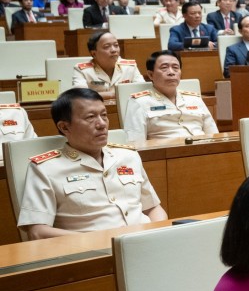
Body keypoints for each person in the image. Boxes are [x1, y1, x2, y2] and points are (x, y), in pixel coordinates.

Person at [19, 88, 165, 239]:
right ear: (64, 127)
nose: (102, 124)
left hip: (146, 243)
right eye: (90, 117)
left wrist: (157, 234)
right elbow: (37, 231)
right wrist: (95, 242)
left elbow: (153, 208)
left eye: (104, 115)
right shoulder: (45, 169)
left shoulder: (128, 156)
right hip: (94, 253)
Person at [123, 51, 218, 142]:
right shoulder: (139, 102)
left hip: (204, 150)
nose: (171, 72)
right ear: (151, 75)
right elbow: (135, 143)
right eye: (164, 68)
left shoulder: (194, 99)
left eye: (176, 67)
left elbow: (214, 135)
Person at [72, 31, 142, 98]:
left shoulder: (130, 67)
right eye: (106, 46)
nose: (114, 50)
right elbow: (80, 95)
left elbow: (143, 90)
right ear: (94, 53)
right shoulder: (82, 70)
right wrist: (113, 94)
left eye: (116, 45)